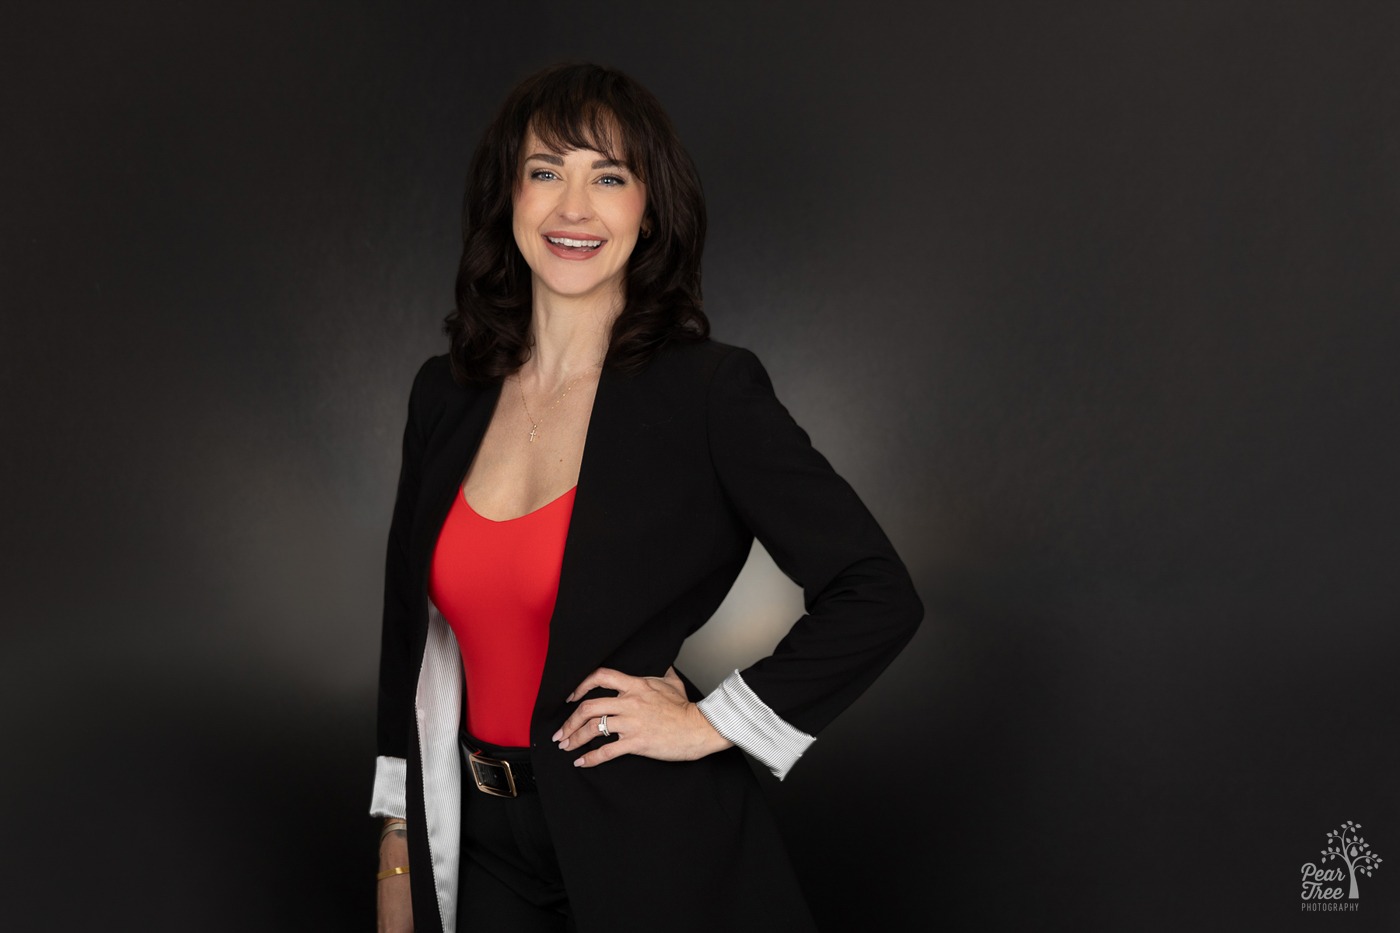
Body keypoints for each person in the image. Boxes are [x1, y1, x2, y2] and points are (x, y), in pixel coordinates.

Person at [371, 62, 922, 933]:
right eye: (546, 171)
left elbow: (877, 589)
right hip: (477, 845)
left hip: (651, 842)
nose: (573, 208)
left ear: (649, 209)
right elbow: (411, 634)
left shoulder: (707, 393)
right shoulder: (445, 394)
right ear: (507, 198)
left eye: (610, 177)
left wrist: (715, 721)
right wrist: (398, 850)